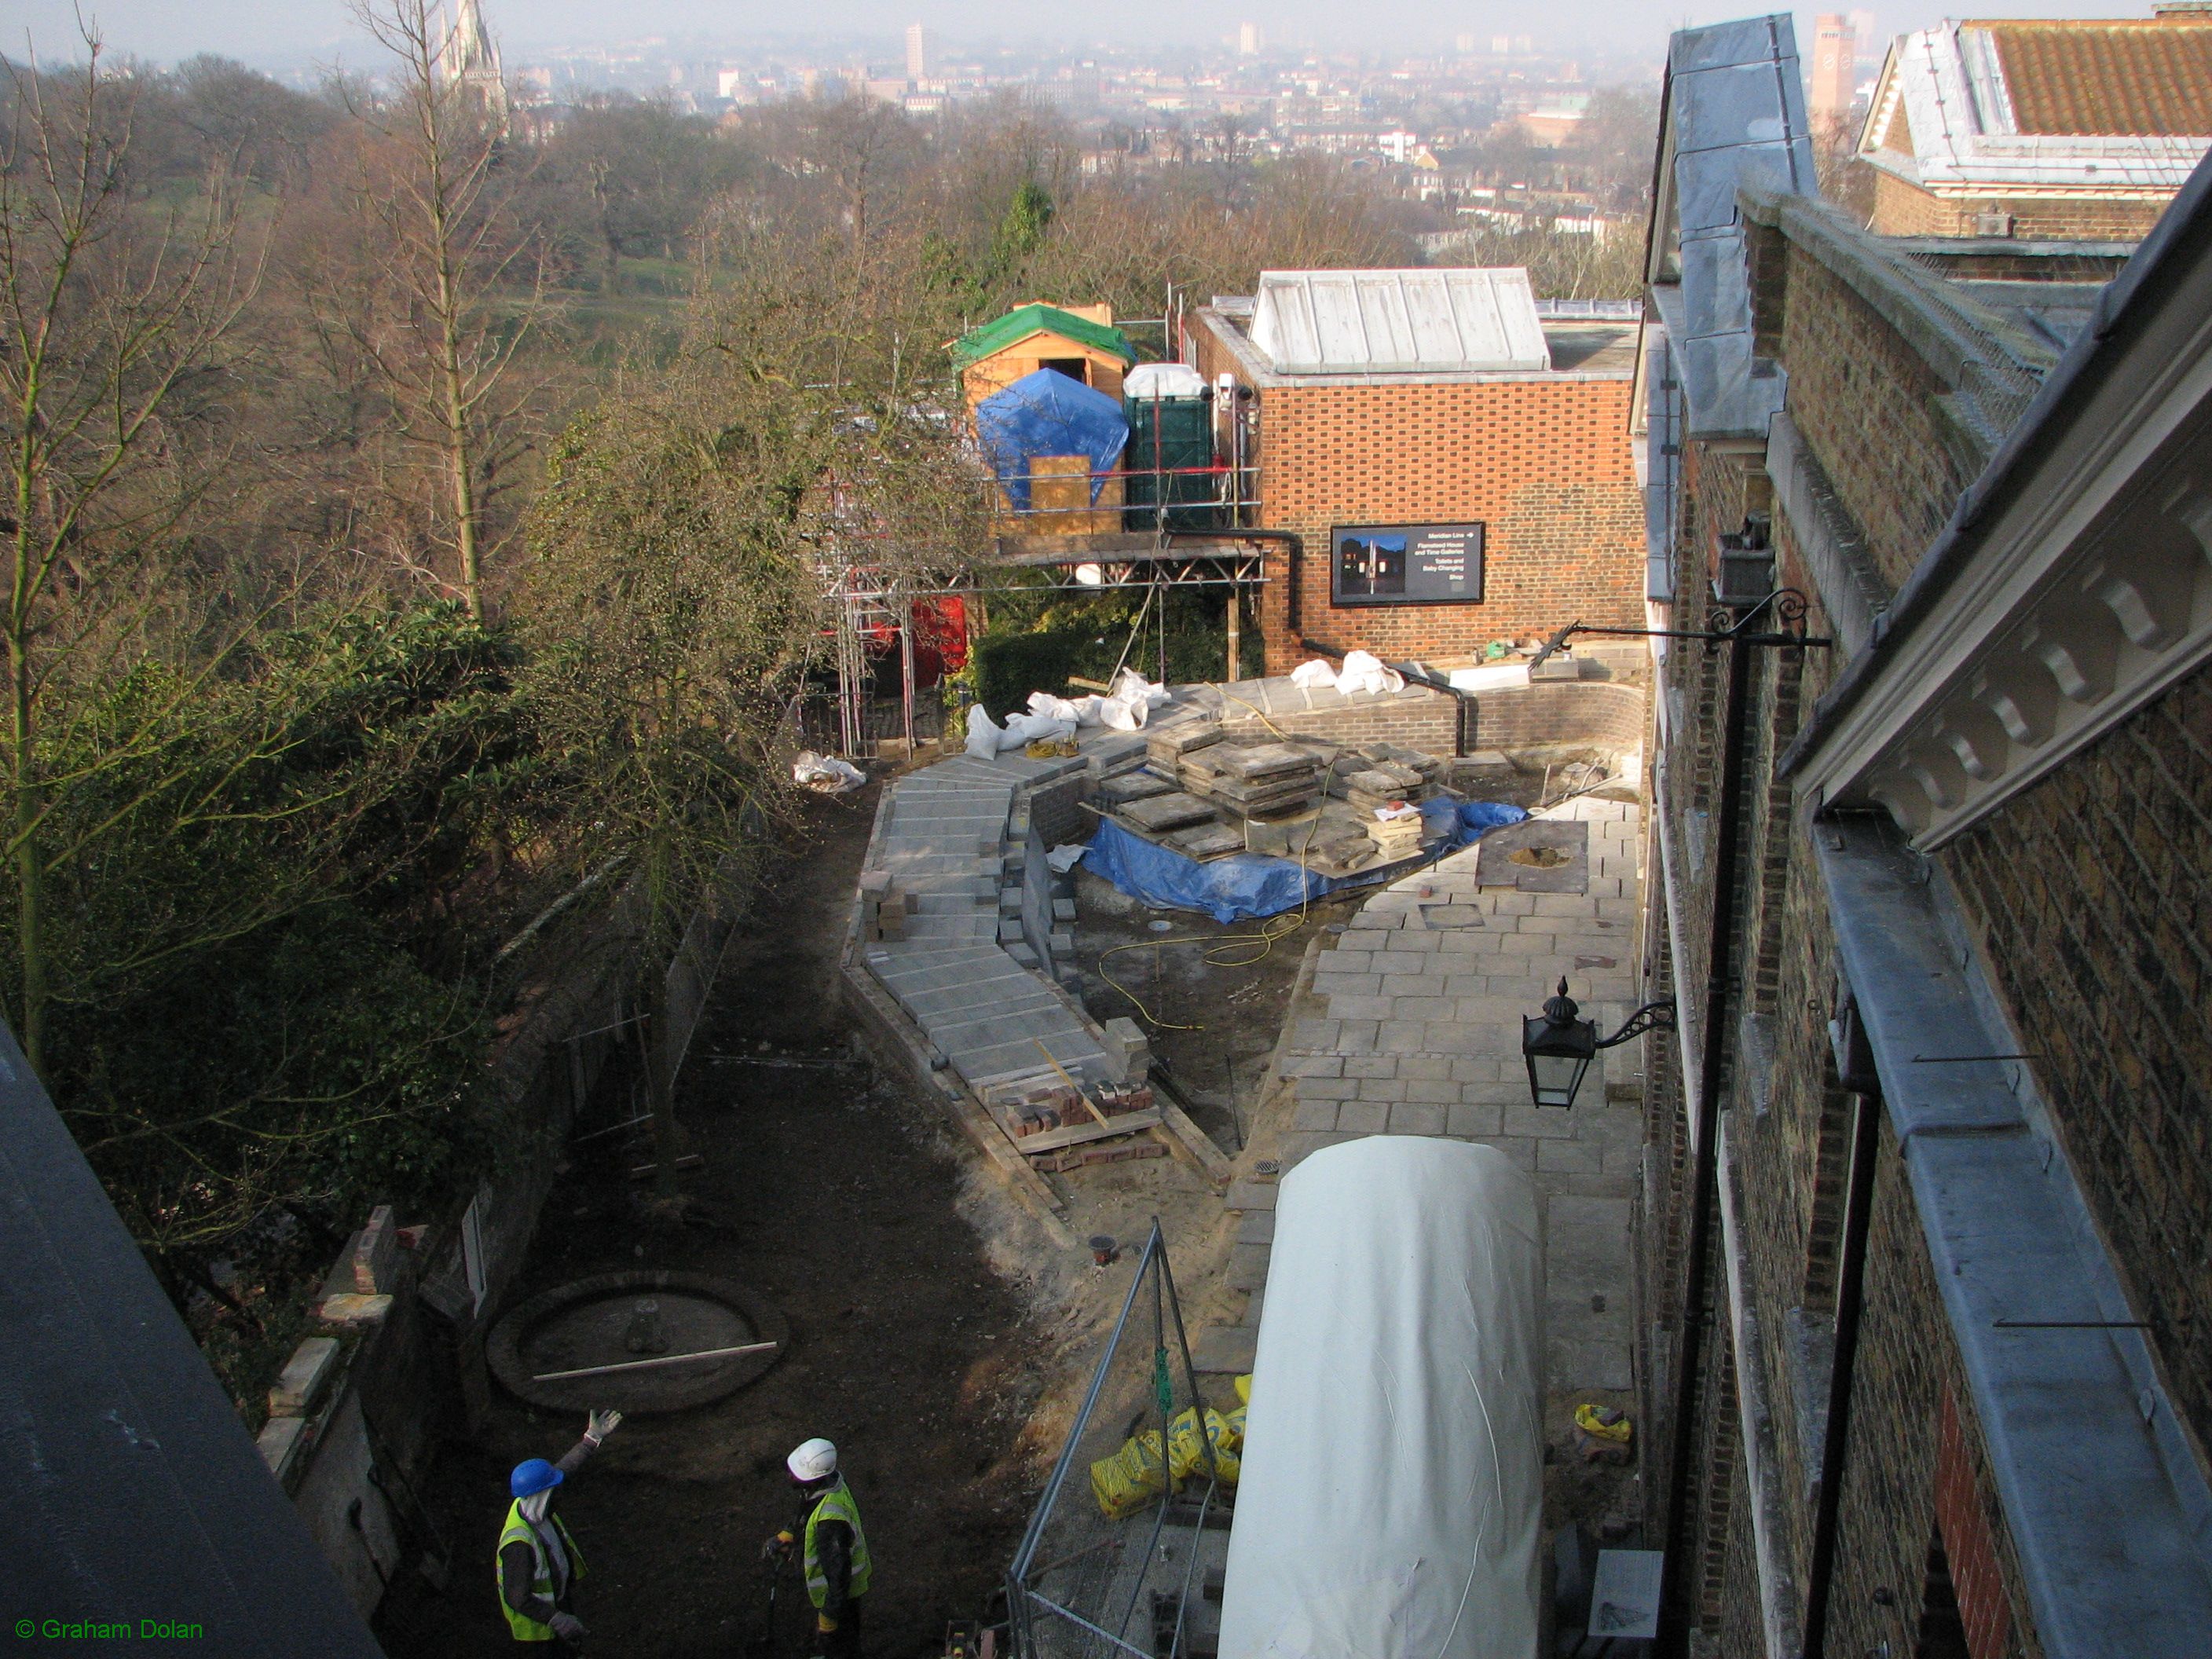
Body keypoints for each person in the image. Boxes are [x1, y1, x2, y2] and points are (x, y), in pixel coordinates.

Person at [498, 1409, 622, 1646]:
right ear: (541, 1495)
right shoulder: (518, 1545)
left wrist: (591, 1439)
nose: (559, 1490)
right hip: (539, 1629)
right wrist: (558, 1619)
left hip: (557, 1601)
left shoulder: (531, 1504)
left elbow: (563, 1469)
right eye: (552, 1488)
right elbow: (517, 1598)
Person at [762, 1437, 871, 1657]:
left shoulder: (830, 1523)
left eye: (795, 1473)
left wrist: (828, 1620)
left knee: (842, 1649)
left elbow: (839, 1577)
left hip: (841, 1599)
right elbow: (806, 1509)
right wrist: (787, 1535)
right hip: (830, 1593)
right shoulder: (828, 1483)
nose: (789, 1475)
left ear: (811, 1480)